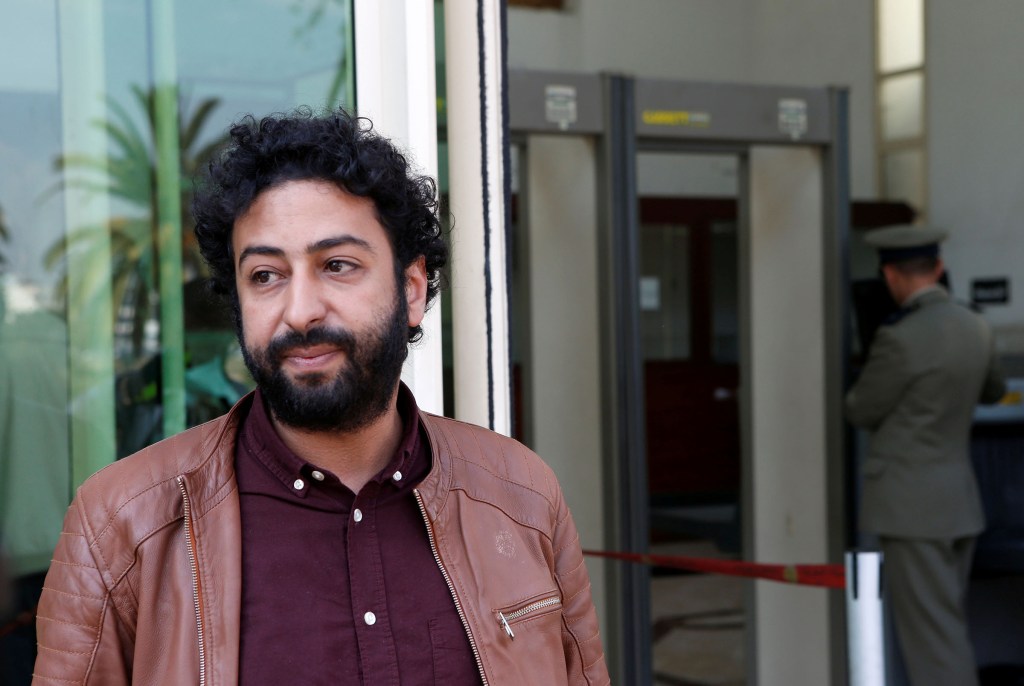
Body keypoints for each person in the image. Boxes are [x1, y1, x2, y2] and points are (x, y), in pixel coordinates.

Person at [33, 108, 609, 685]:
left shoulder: (523, 497)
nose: (300, 310)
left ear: (410, 289)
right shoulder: (120, 527)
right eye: (265, 275)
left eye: (337, 265)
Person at [845, 224, 1006, 686]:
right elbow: (993, 391)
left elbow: (859, 407)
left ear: (890, 275)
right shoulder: (975, 324)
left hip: (912, 510)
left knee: (932, 640)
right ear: (939, 267)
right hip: (960, 503)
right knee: (946, 624)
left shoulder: (900, 337)